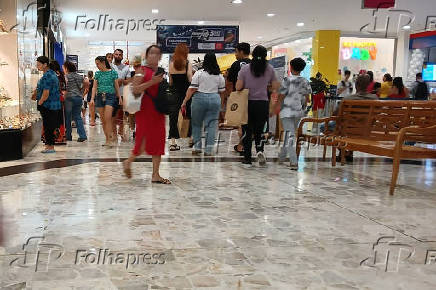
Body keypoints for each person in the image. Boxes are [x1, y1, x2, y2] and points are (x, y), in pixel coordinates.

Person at [123, 45, 170, 184]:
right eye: (151, 53)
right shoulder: (141, 71)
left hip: (158, 110)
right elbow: (135, 90)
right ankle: (128, 161)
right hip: (145, 110)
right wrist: (152, 82)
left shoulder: (160, 72)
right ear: (147, 56)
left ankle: (155, 174)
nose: (154, 56)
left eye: (157, 53)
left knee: (159, 141)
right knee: (143, 140)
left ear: (160, 56)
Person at [236, 45, 280, 166]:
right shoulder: (270, 69)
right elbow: (275, 87)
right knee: (259, 131)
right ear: (265, 55)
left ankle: (247, 157)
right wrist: (265, 86)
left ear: (252, 54)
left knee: (247, 131)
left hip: (247, 103)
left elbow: (238, 87)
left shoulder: (245, 69)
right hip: (263, 103)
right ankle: (260, 151)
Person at [181, 53, 226, 156]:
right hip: (215, 98)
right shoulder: (219, 75)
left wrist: (185, 101)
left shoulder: (199, 73)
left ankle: (197, 147)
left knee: (196, 124)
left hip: (199, 99)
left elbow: (192, 89)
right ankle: (209, 150)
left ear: (204, 61)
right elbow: (222, 92)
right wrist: (221, 105)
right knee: (211, 125)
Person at [274, 58, 312, 170]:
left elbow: (281, 96)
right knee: (289, 134)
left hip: (286, 111)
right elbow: (307, 98)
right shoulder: (305, 81)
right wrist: (303, 108)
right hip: (298, 111)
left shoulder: (287, 80)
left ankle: (293, 161)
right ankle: (281, 156)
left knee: (289, 136)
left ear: (290, 67)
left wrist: (276, 107)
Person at [32, 56, 61, 153]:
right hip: (52, 104)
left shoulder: (48, 76)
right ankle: (49, 145)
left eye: (39, 65)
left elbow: (46, 93)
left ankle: (50, 146)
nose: (37, 67)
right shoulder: (51, 74)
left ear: (45, 65)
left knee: (48, 126)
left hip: (48, 105)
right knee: (49, 125)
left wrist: (40, 102)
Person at [90, 56, 121, 147]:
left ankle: (111, 138)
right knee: (103, 120)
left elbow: (116, 86)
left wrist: (120, 97)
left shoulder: (113, 73)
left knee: (108, 118)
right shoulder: (97, 74)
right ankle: (107, 139)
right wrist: (92, 98)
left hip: (110, 96)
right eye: (96, 64)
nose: (97, 66)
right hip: (100, 96)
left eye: (98, 64)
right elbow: (94, 87)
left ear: (103, 62)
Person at [227, 42, 251, 154]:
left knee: (241, 123)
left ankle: (242, 145)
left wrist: (230, 96)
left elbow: (230, 82)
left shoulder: (236, 64)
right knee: (250, 122)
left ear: (241, 52)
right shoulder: (254, 64)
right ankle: (246, 145)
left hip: (239, 96)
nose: (235, 54)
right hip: (254, 96)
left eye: (236, 52)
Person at [168, 43, 193, 151]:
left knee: (173, 117)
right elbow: (190, 79)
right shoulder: (187, 64)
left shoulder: (171, 64)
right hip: (186, 91)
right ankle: (191, 138)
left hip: (174, 92)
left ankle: (173, 142)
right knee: (190, 114)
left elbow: (170, 81)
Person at [63, 60, 87, 142]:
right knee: (77, 117)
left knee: (68, 117)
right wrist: (82, 93)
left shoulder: (66, 76)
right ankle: (82, 135)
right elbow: (85, 85)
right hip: (78, 97)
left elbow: (65, 88)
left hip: (69, 98)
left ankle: (68, 135)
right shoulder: (80, 76)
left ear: (66, 68)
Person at [111, 49, 131, 142]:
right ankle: (114, 134)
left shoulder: (126, 68)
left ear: (122, 56)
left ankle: (121, 131)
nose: (118, 56)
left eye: (120, 54)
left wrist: (122, 81)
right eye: (116, 54)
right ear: (113, 55)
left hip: (124, 94)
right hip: (112, 94)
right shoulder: (110, 66)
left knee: (124, 114)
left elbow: (129, 81)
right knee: (113, 115)